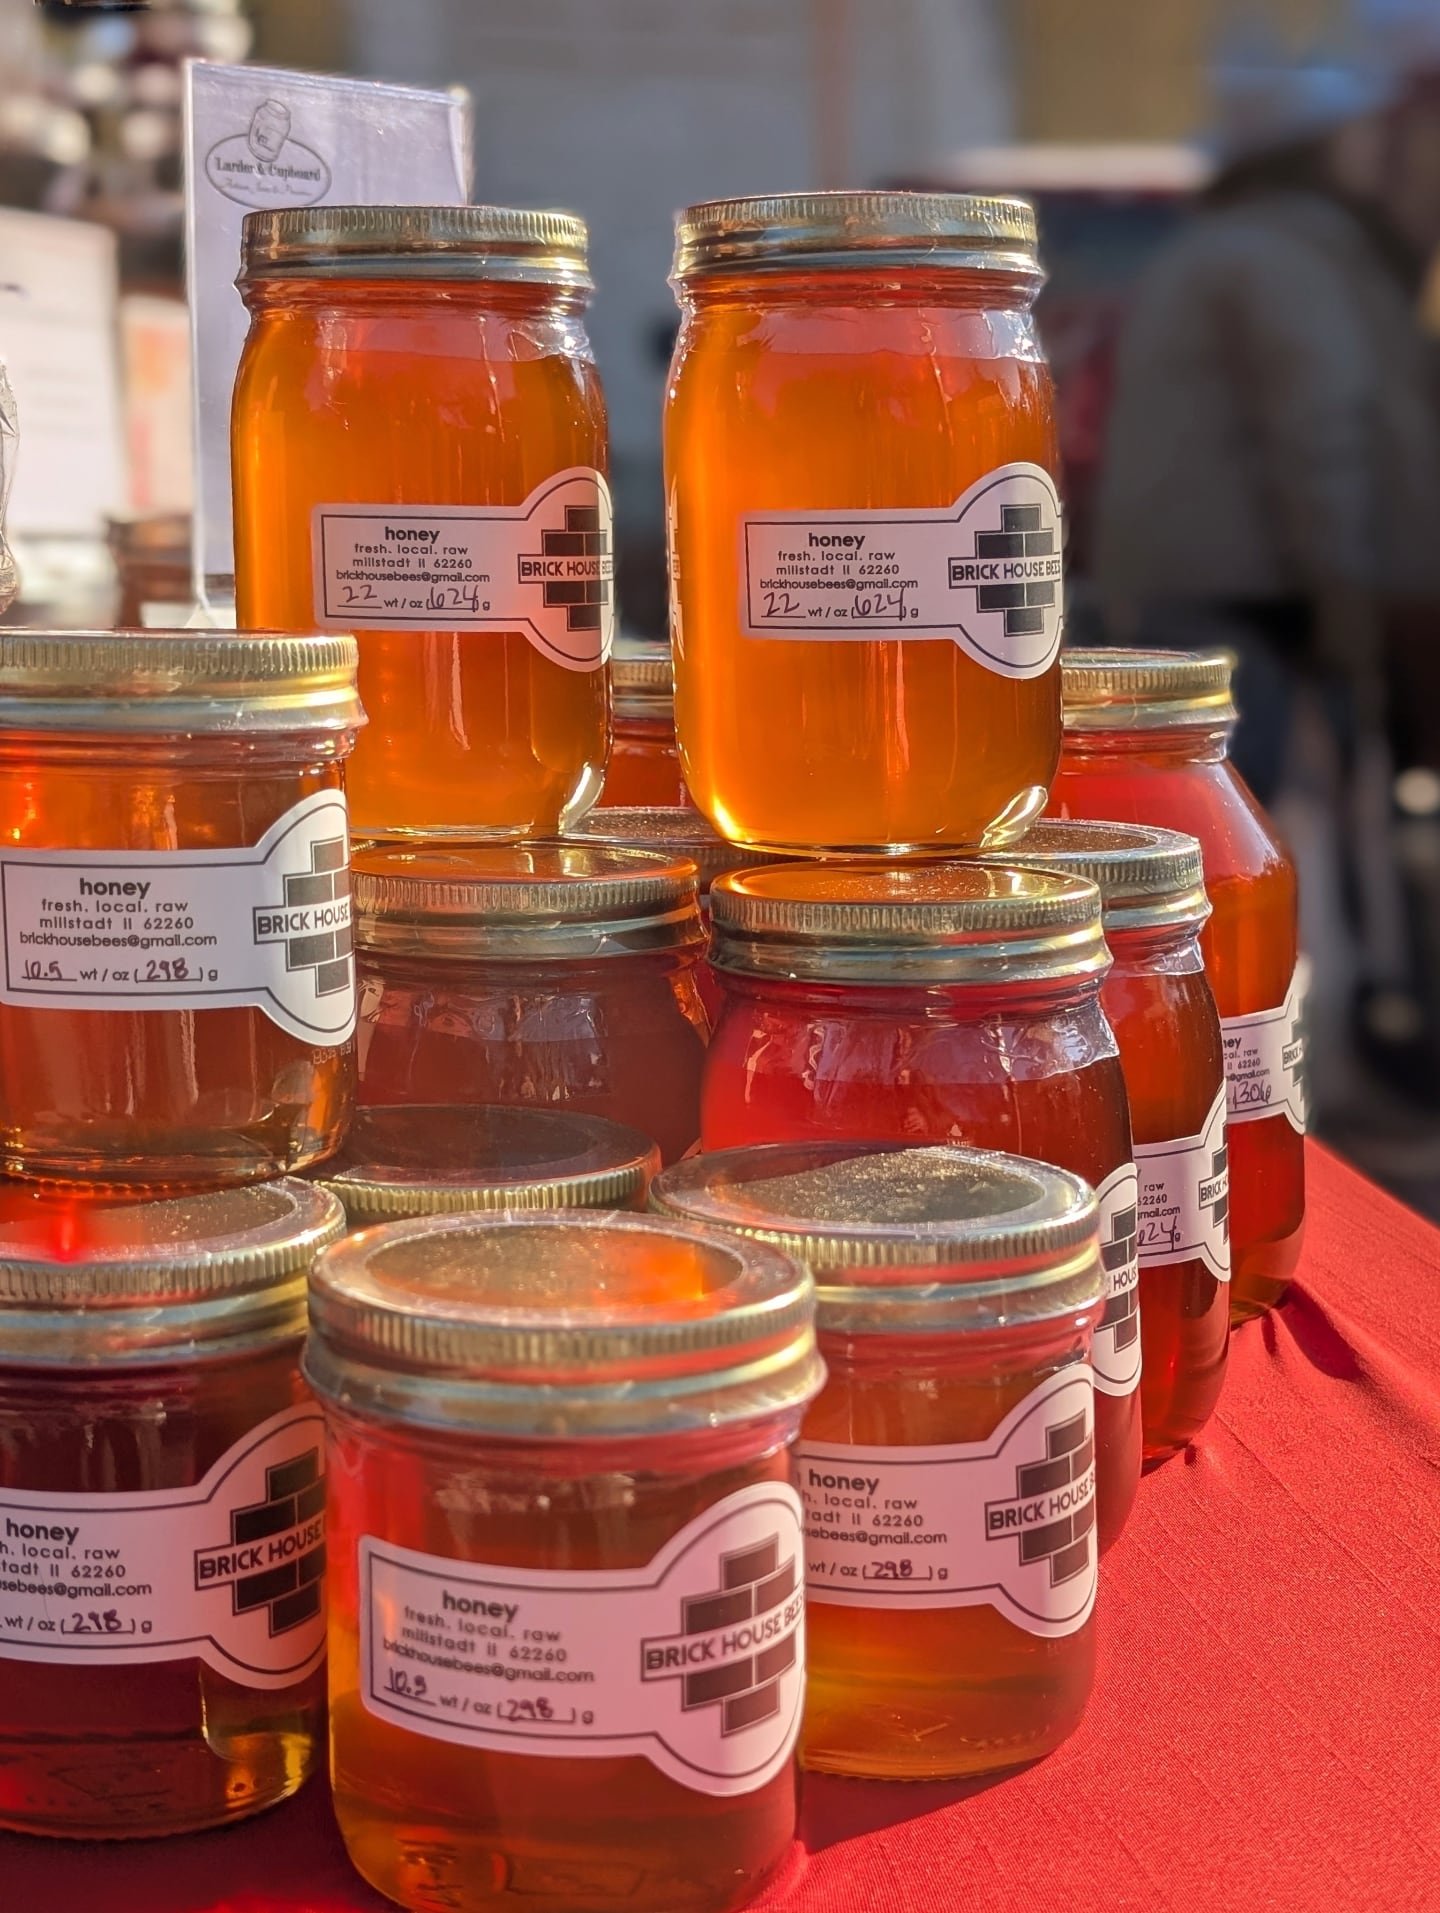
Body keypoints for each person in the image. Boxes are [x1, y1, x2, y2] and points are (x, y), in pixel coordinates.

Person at [1093, 46, 1440, 804]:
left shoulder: (1252, 249)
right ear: (1325, 148)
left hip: (1228, 598)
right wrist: (1351, 610)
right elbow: (1322, 437)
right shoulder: (1278, 259)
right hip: (1251, 609)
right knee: (1239, 818)